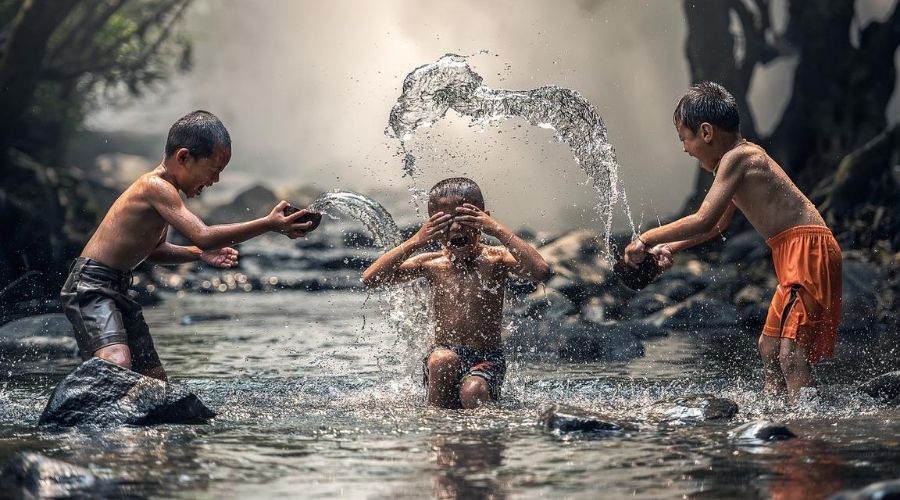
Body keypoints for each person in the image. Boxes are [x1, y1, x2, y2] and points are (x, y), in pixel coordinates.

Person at [624, 82, 842, 402]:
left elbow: (703, 219)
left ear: (707, 132)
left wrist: (644, 239)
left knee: (792, 355)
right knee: (769, 348)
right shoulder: (736, 162)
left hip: (807, 251)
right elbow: (715, 227)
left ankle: (808, 432)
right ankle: (775, 418)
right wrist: (669, 247)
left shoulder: (739, 157)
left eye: (685, 138)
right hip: (795, 252)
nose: (685, 148)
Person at [60, 110, 316, 381]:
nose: (214, 181)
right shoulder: (154, 186)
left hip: (118, 288)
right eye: (214, 170)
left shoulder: (166, 195)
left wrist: (198, 254)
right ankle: (76, 412)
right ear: (184, 157)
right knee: (117, 361)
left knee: (153, 380)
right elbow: (203, 234)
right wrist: (268, 223)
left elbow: (155, 251)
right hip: (91, 286)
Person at [362, 178, 550, 409]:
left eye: (464, 218)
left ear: (484, 219)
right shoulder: (431, 263)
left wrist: (499, 230)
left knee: (473, 391)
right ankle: (437, 429)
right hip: (441, 355)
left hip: (487, 357)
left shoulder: (496, 260)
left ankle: (480, 439)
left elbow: (540, 271)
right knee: (443, 360)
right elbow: (371, 279)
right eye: (443, 223)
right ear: (430, 226)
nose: (455, 228)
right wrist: (416, 241)